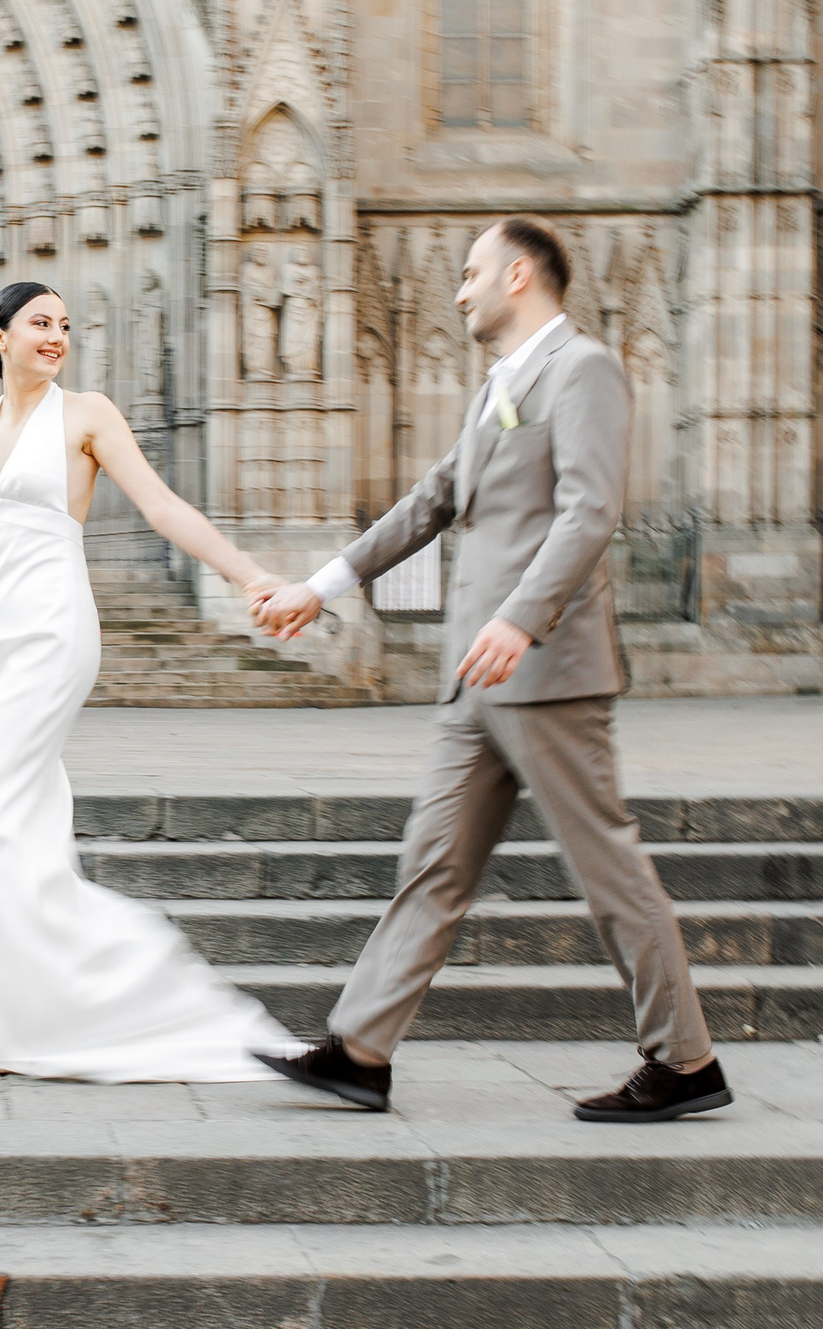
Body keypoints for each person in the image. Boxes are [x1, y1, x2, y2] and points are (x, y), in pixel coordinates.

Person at [252, 216, 731, 1123]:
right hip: (476, 676)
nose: (459, 290)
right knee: (430, 865)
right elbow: (431, 500)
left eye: (470, 273)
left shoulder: (582, 369)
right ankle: (359, 1052)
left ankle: (685, 1060)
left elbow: (589, 514)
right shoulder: (496, 386)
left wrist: (520, 618)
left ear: (519, 275)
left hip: (544, 668)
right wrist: (324, 586)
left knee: (608, 870)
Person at [0, 282, 303, 1082]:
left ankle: (126, 986)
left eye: (63, 326)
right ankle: (28, 1011)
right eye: (39, 324)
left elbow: (158, 506)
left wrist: (247, 572)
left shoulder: (86, 414)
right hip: (3, 634)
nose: (55, 337)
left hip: (54, 629)